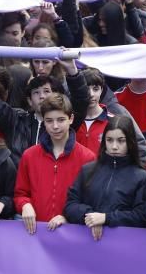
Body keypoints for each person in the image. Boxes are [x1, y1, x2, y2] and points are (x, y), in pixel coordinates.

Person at [14, 94, 95, 234]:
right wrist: (25, 205)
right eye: (49, 121)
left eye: (61, 120)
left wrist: (69, 217)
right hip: (35, 233)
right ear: (43, 122)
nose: (55, 126)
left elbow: (90, 201)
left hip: (71, 233)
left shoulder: (88, 158)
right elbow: (20, 193)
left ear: (71, 119)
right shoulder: (29, 155)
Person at [64, 116, 146, 239]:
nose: (114, 146)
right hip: (86, 241)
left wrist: (106, 218)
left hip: (123, 245)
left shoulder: (141, 176)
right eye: (109, 140)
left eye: (121, 140)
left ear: (130, 142)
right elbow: (70, 205)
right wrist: (91, 216)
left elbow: (141, 216)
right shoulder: (87, 170)